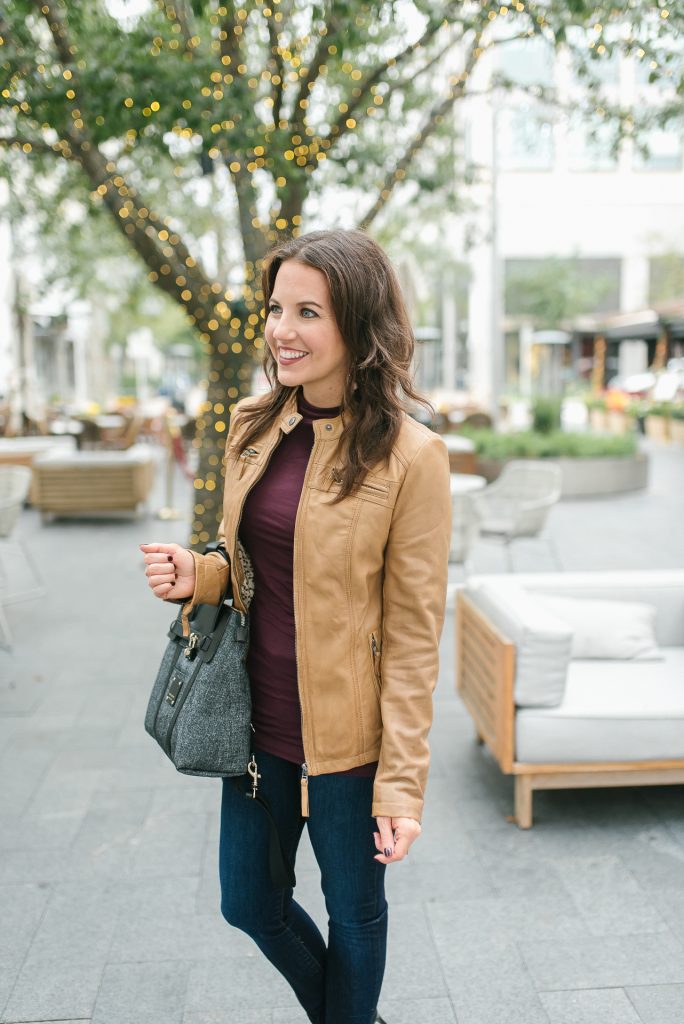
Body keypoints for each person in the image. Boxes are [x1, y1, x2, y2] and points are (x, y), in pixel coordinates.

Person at [140, 229, 451, 1024]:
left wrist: (402, 785)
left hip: (352, 745)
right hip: (257, 728)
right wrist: (202, 574)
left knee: (355, 913)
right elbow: (247, 563)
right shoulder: (254, 424)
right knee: (249, 903)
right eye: (276, 308)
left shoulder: (412, 457)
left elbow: (415, 636)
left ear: (359, 323)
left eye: (308, 312)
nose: (282, 329)